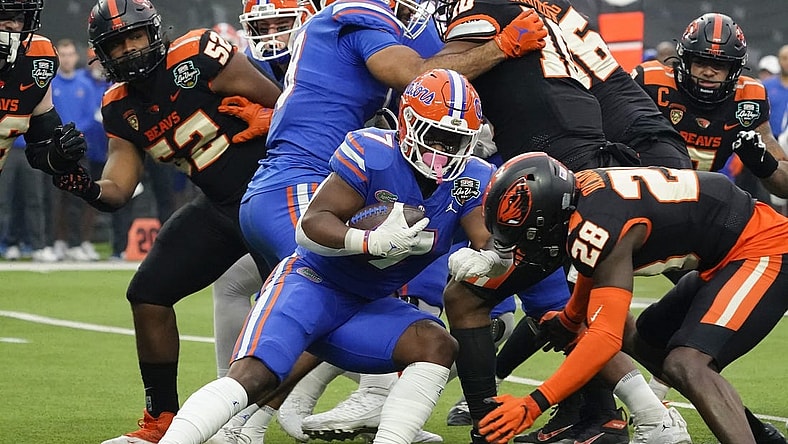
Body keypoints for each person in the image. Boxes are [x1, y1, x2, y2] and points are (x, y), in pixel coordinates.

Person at [158, 68, 502, 444]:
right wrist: (364, 240)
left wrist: (488, 260)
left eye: (455, 140)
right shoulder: (373, 152)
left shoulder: (472, 178)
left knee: (436, 345)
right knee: (254, 377)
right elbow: (311, 225)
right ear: (407, 124)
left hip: (366, 306)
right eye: (435, 136)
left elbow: (487, 240)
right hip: (312, 285)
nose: (443, 151)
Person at [430, 0, 691, 442]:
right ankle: (596, 414)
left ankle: (637, 417)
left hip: (579, 165)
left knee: (471, 299)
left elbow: (429, 77)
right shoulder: (554, 10)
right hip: (641, 154)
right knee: (577, 304)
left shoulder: (487, 9)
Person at [54, 1, 281, 442]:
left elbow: (285, 104)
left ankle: (369, 389)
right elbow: (116, 190)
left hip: (273, 195)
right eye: (116, 43)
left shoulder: (195, 55)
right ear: (102, 51)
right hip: (218, 204)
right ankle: (160, 420)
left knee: (299, 305)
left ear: (153, 32)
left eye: (135, 36)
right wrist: (77, 180)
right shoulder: (118, 106)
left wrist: (270, 118)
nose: (129, 49)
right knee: (148, 293)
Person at [476, 152, 788, 444]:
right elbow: (594, 265)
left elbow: (604, 337)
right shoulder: (582, 195)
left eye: (526, 232)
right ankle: (758, 434)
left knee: (686, 363)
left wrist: (534, 403)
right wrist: (571, 318)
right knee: (645, 338)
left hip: (765, 247)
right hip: (725, 255)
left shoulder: (595, 223)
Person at [0, 1, 89, 183]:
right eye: (3, 15)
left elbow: (41, 149)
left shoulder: (36, 60)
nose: (14, 25)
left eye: (20, 17)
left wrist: (61, 153)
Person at [51, 38, 101, 261]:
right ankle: (58, 242)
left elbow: (90, 118)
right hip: (55, 150)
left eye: (71, 54)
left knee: (81, 196)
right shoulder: (51, 84)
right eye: (63, 55)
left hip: (79, 150)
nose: (67, 59)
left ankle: (81, 242)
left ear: (76, 57)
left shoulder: (85, 84)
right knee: (55, 198)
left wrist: (73, 135)